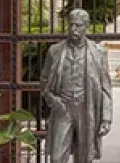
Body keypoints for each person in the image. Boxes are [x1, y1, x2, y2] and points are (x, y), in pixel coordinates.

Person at [40, 9, 113, 163]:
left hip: (85, 108)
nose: (74, 29)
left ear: (86, 26)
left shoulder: (98, 53)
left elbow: (106, 87)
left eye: (78, 26)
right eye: (72, 25)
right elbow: (44, 82)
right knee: (56, 156)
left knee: (85, 156)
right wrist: (53, 101)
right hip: (63, 108)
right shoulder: (55, 51)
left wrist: (106, 118)